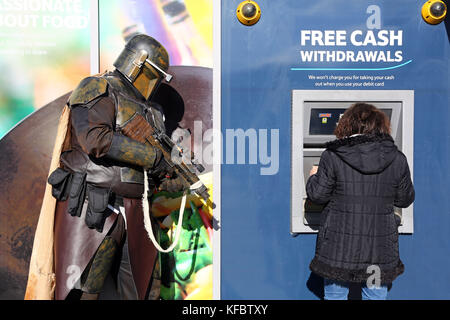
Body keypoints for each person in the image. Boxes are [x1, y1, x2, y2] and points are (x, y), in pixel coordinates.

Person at [28, 34, 184, 300]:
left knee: (142, 293)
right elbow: (95, 140)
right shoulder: (98, 87)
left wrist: (171, 178)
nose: (156, 82)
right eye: (155, 74)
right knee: (82, 292)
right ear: (139, 64)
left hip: (137, 213)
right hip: (93, 207)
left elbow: (149, 171)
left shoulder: (152, 111)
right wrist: (154, 158)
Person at [306, 103, 415, 300]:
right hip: (378, 250)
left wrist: (313, 176)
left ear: (347, 125)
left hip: (338, 249)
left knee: (335, 298)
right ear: (381, 126)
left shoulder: (333, 156)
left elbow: (318, 195)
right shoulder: (397, 159)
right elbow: (405, 199)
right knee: (374, 297)